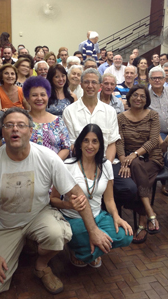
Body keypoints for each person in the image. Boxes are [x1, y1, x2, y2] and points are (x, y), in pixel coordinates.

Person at [0, 107, 112, 295]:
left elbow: (77, 194)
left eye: (21, 125)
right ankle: (10, 246)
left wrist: (93, 231)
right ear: (2, 131)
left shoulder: (48, 157)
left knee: (58, 235)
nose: (15, 130)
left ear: (30, 130)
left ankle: (41, 266)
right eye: (9, 125)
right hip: (5, 224)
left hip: (38, 216)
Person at [50, 124, 133, 267]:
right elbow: (53, 199)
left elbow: (109, 199)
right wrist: (69, 205)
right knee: (89, 242)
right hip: (73, 218)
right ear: (80, 143)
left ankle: (88, 252)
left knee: (126, 236)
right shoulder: (68, 165)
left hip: (98, 216)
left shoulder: (106, 165)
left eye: (95, 141)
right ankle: (84, 250)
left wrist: (116, 216)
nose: (90, 145)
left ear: (100, 145)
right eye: (86, 140)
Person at [63, 68, 137, 223]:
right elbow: (73, 146)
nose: (90, 86)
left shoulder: (109, 111)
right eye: (87, 82)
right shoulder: (69, 111)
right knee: (84, 189)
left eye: (94, 82)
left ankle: (107, 212)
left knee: (129, 188)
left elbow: (112, 143)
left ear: (100, 86)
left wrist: (105, 167)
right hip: (79, 163)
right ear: (81, 85)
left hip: (105, 162)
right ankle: (95, 214)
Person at [116, 85, 163, 243]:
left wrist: (135, 154)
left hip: (151, 157)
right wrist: (123, 160)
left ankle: (145, 219)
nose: (138, 98)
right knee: (139, 170)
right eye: (135, 95)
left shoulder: (153, 115)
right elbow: (119, 141)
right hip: (130, 158)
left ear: (147, 99)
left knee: (136, 167)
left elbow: (154, 140)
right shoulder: (121, 117)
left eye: (142, 96)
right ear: (129, 97)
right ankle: (148, 216)